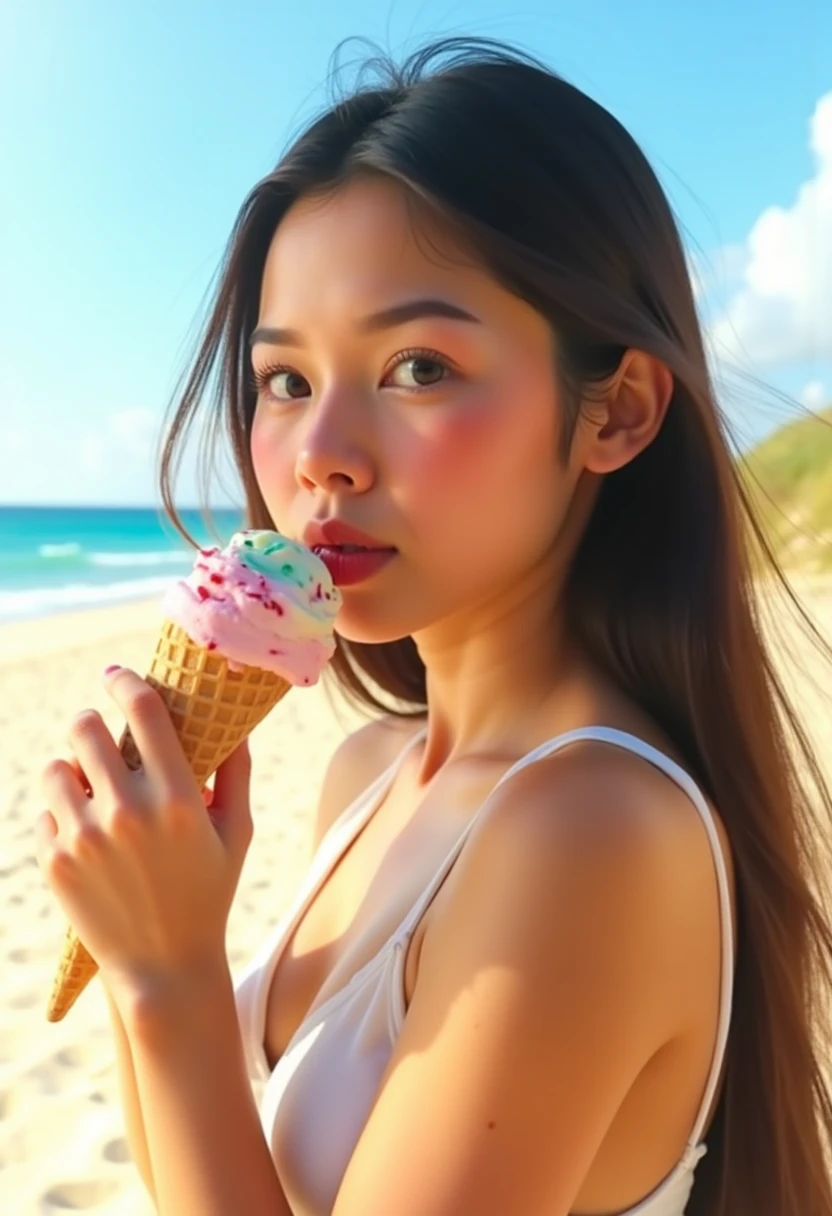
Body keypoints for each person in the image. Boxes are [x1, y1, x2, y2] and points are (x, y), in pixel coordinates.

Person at [35, 35, 832, 1216]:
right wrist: (134, 930)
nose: (319, 458)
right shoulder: (366, 773)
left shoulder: (595, 830)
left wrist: (168, 979)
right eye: (286, 382)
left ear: (612, 412)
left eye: (415, 366)